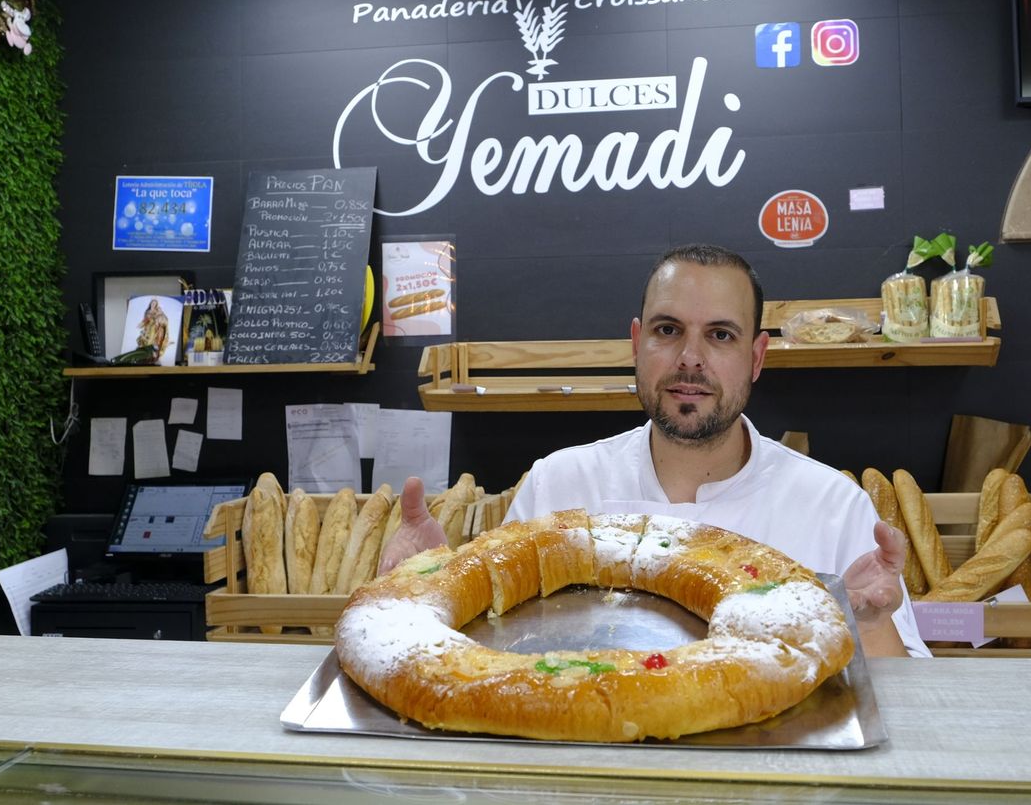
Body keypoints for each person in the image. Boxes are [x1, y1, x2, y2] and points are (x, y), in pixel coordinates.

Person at [381, 243, 927, 657]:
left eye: (720, 336)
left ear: (757, 357)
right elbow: (493, 656)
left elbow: (907, 705)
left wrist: (873, 625)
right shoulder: (559, 485)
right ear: (637, 342)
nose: (690, 358)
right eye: (669, 330)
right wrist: (424, 593)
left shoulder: (832, 506)